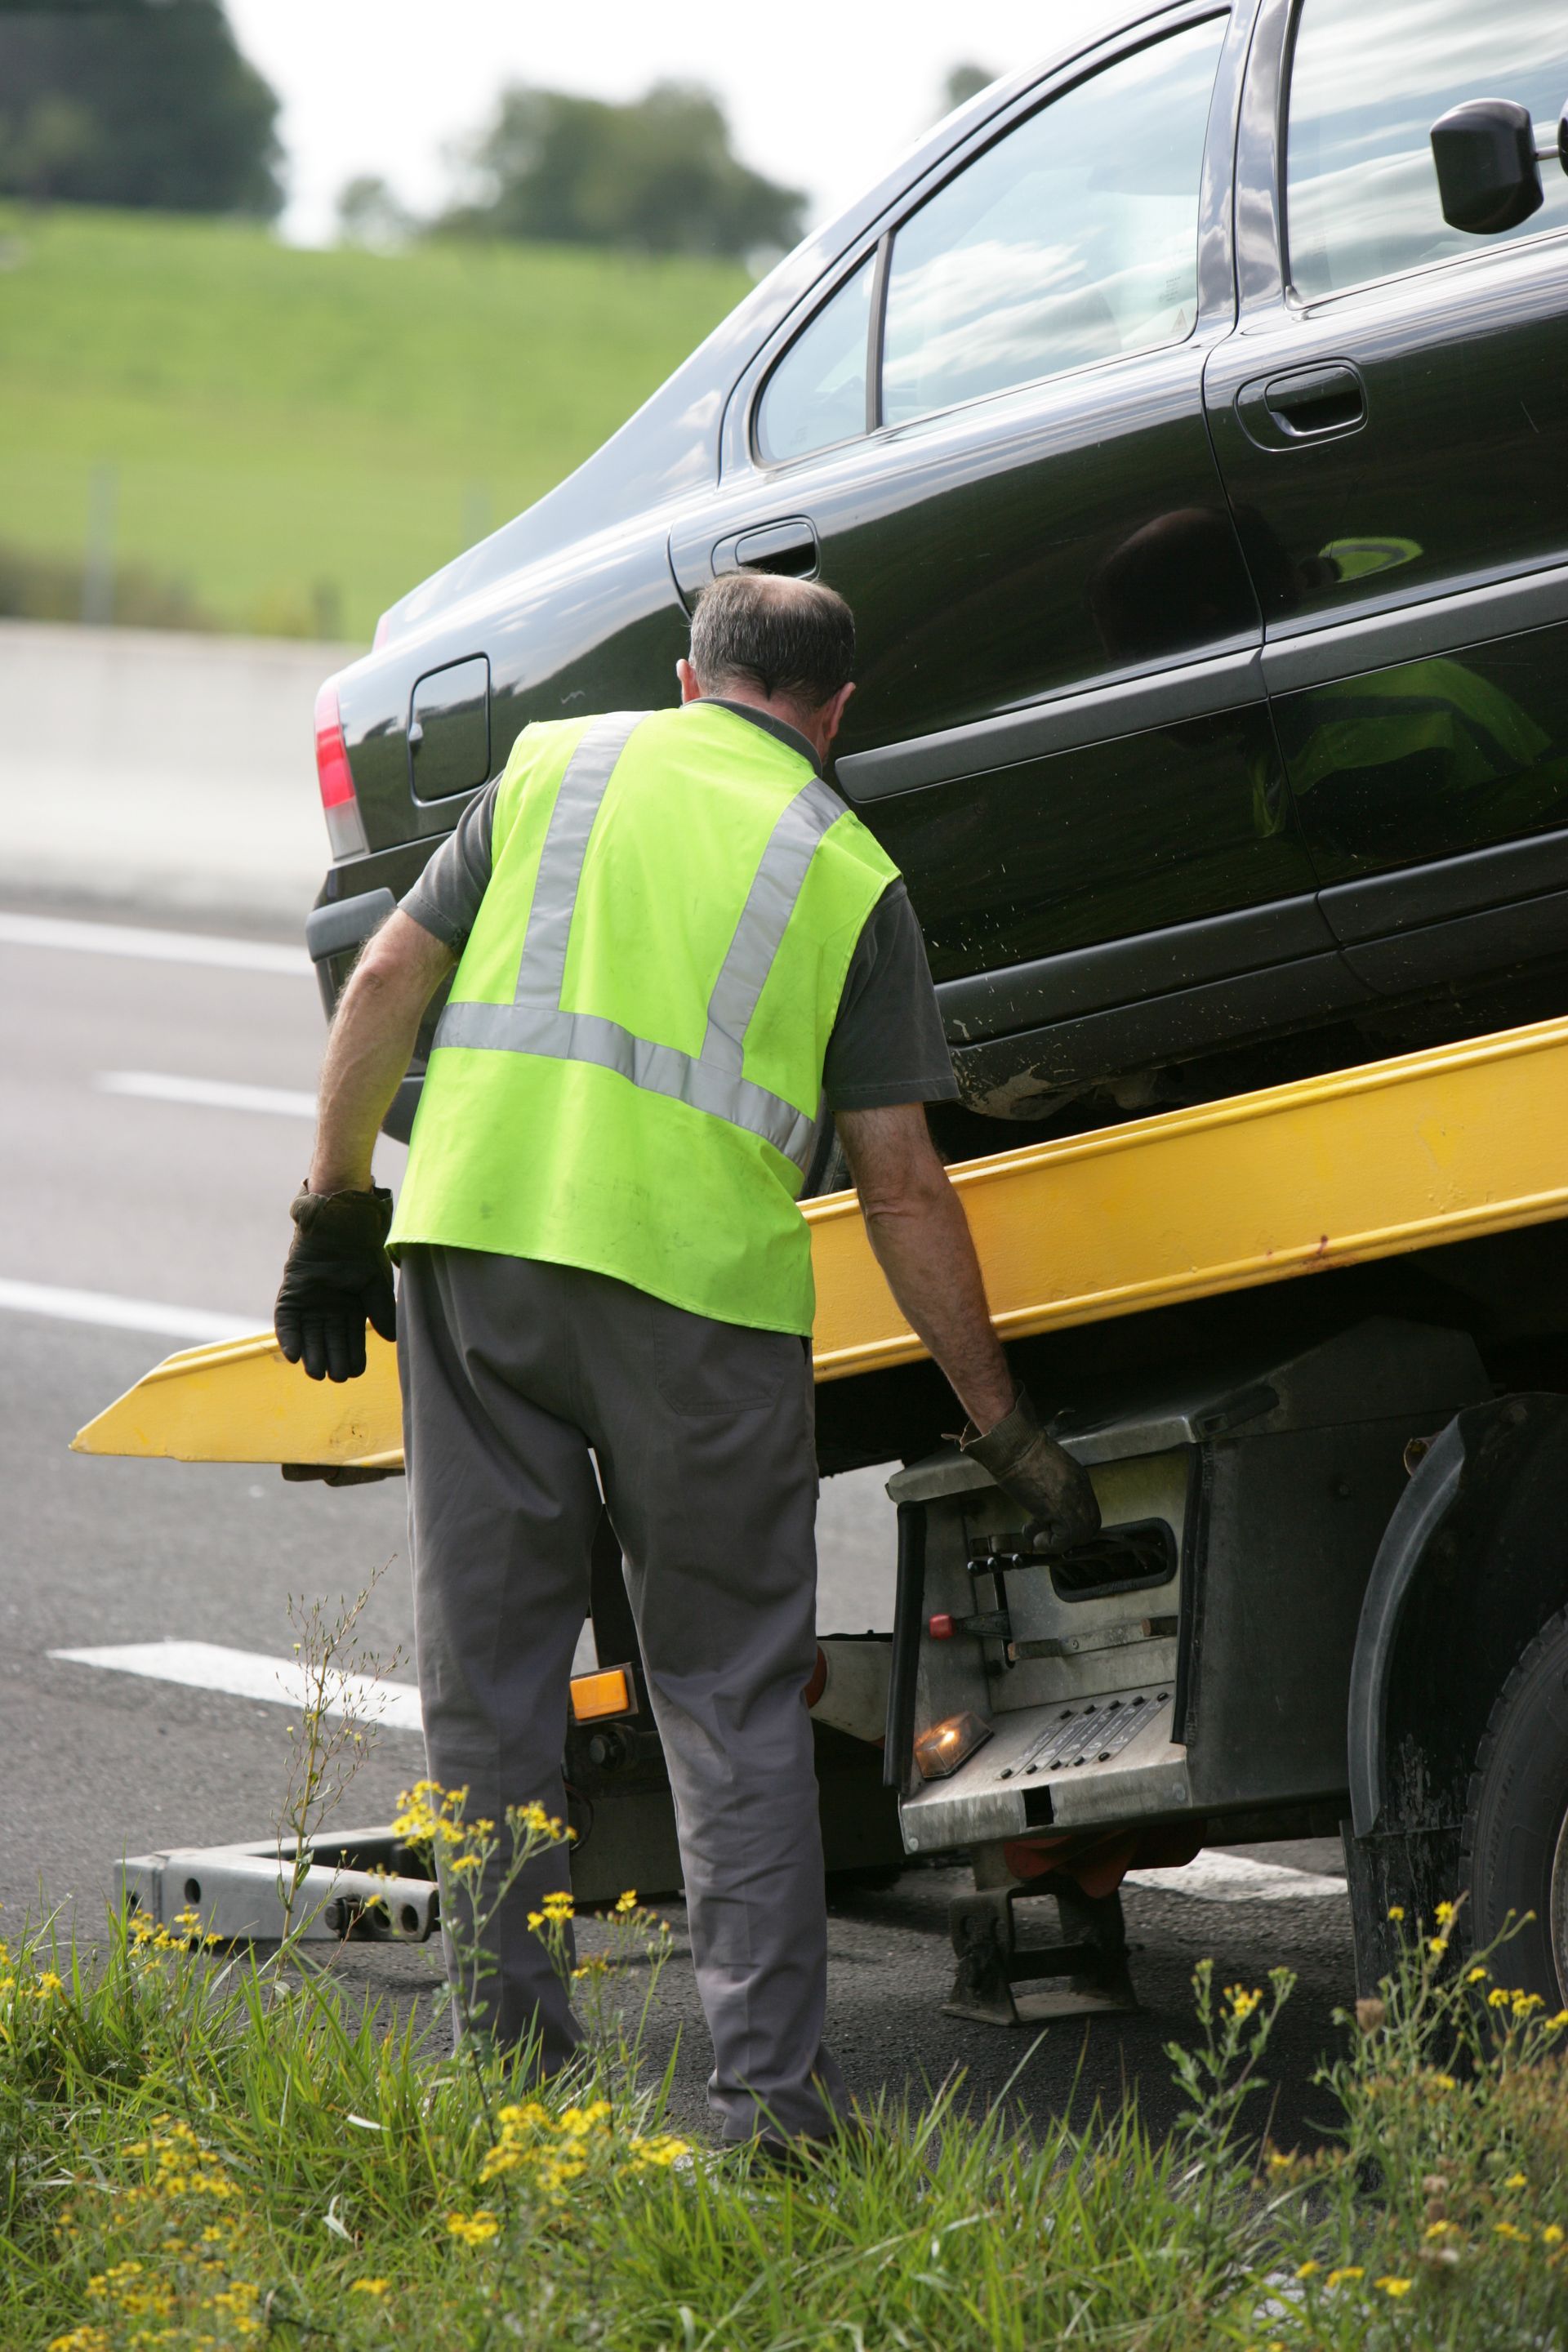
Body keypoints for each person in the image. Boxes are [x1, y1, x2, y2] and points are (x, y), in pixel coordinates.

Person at [274, 571, 1098, 2152]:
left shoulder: (550, 769)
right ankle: (774, 2112)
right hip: (696, 1309)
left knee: (493, 1688)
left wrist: (333, 1211)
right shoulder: (851, 876)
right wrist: (1002, 1426)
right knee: (724, 1700)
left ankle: (508, 2080)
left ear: (685, 676)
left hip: (480, 1258)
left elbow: (384, 983)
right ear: (836, 713)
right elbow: (903, 1184)